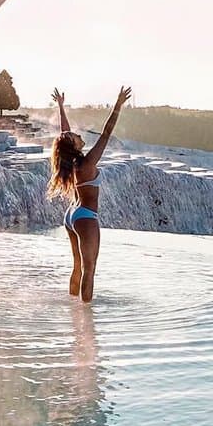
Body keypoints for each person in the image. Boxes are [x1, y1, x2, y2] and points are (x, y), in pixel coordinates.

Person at [47, 86, 132, 302]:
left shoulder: (72, 160)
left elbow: (63, 134)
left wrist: (61, 107)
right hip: (85, 216)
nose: (78, 134)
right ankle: (86, 318)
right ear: (73, 145)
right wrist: (118, 105)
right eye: (75, 136)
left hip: (71, 215)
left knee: (78, 266)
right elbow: (106, 133)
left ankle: (73, 309)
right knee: (90, 269)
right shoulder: (86, 163)